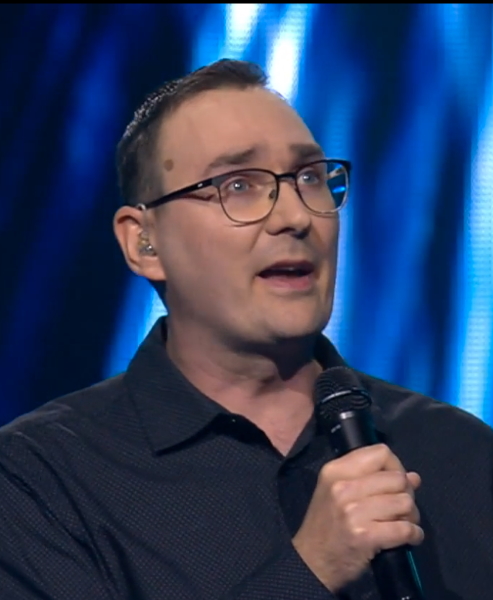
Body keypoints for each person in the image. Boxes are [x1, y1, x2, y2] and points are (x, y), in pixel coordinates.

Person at [0, 58, 492, 600]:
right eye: (238, 185)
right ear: (144, 242)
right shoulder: (41, 478)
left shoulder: (460, 451)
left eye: (310, 178)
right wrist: (310, 570)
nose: (295, 217)